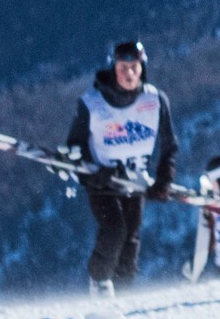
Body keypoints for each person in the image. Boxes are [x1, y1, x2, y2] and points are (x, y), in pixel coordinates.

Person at [61, 38, 176, 298]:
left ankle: (122, 298)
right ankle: (99, 283)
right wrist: (90, 175)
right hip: (102, 182)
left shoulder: (155, 100)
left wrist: (164, 180)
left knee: (130, 244)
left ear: (142, 68)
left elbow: (170, 145)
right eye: (123, 68)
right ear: (113, 68)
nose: (129, 73)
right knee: (114, 230)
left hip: (135, 182)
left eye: (134, 67)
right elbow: (75, 145)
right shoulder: (92, 102)